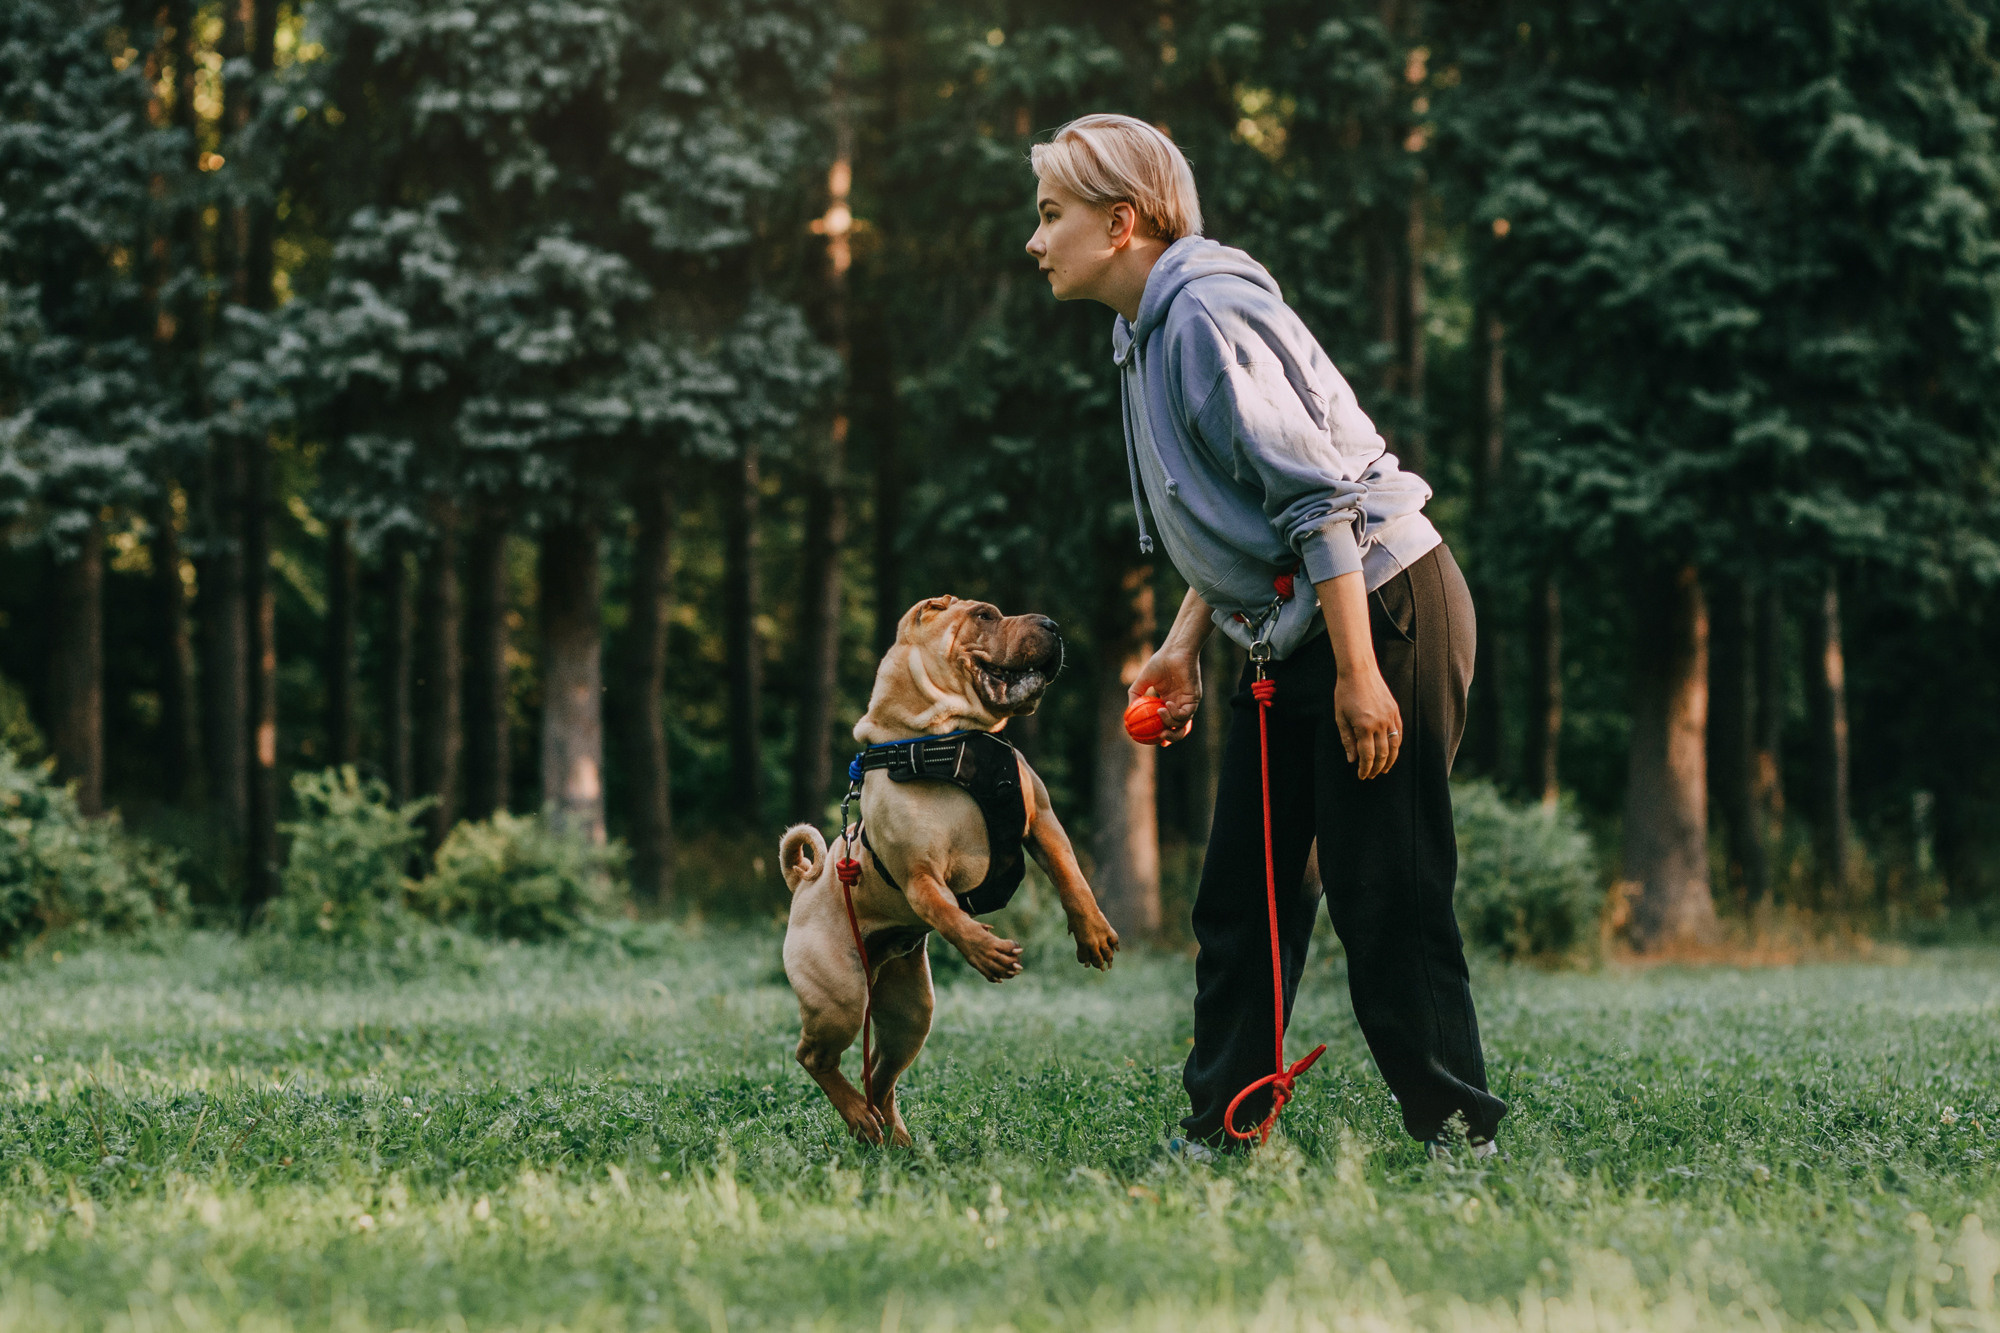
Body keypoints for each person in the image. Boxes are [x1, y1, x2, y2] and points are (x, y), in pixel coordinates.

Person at [1024, 113, 1505, 1159]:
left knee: (1386, 891)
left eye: (1049, 215)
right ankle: (1222, 1129)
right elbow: (1239, 508)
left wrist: (1361, 677)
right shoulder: (1139, 330)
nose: (1034, 241)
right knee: (1242, 894)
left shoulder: (1203, 317)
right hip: (1298, 622)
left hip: (1379, 606)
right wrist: (1184, 639)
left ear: (1119, 223)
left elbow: (1315, 504)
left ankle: (1459, 1134)